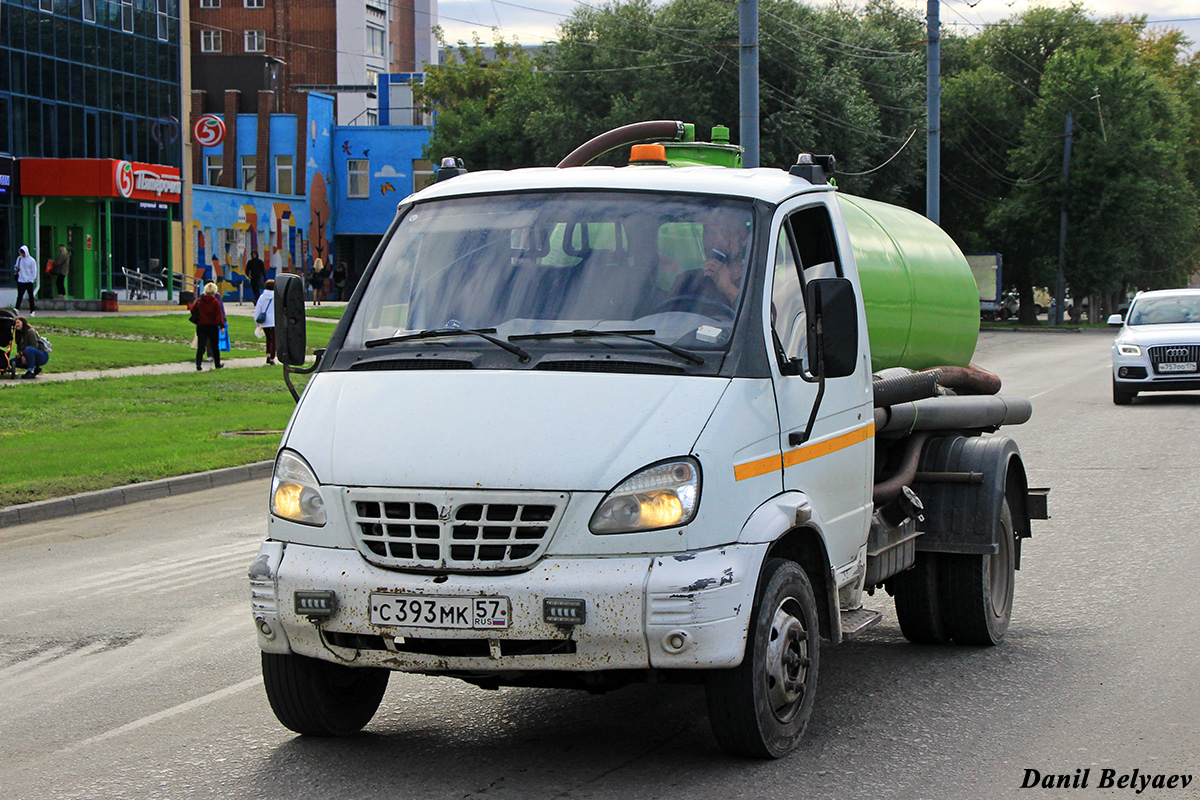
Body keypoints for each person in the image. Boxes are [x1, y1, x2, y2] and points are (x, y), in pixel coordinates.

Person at [666, 215, 750, 309]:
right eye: (711, 232)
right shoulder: (687, 280)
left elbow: (756, 315)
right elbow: (663, 318)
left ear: (744, 237)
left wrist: (728, 287)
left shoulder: (758, 281)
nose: (718, 241)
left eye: (726, 232)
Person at [190, 282, 227, 371]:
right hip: (212, 326)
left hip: (201, 325)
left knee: (201, 346)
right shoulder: (215, 302)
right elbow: (219, 315)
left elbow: (192, 310)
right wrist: (222, 326)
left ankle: (198, 364)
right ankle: (217, 364)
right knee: (215, 346)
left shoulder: (199, 300)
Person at [253, 278, 277, 365]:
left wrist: (257, 321)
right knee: (274, 339)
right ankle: (272, 357)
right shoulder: (276, 297)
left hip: (265, 322)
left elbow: (258, 309)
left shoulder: (262, 297)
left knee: (268, 339)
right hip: (274, 321)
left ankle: (267, 354)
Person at [14, 245, 37, 314]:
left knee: (30, 296)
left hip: (29, 281)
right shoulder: (19, 259)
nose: (22, 254)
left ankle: (32, 310)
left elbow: (34, 271)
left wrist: (31, 279)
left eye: (23, 253)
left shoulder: (32, 261)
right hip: (21, 280)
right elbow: (16, 267)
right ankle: (17, 308)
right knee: (20, 295)